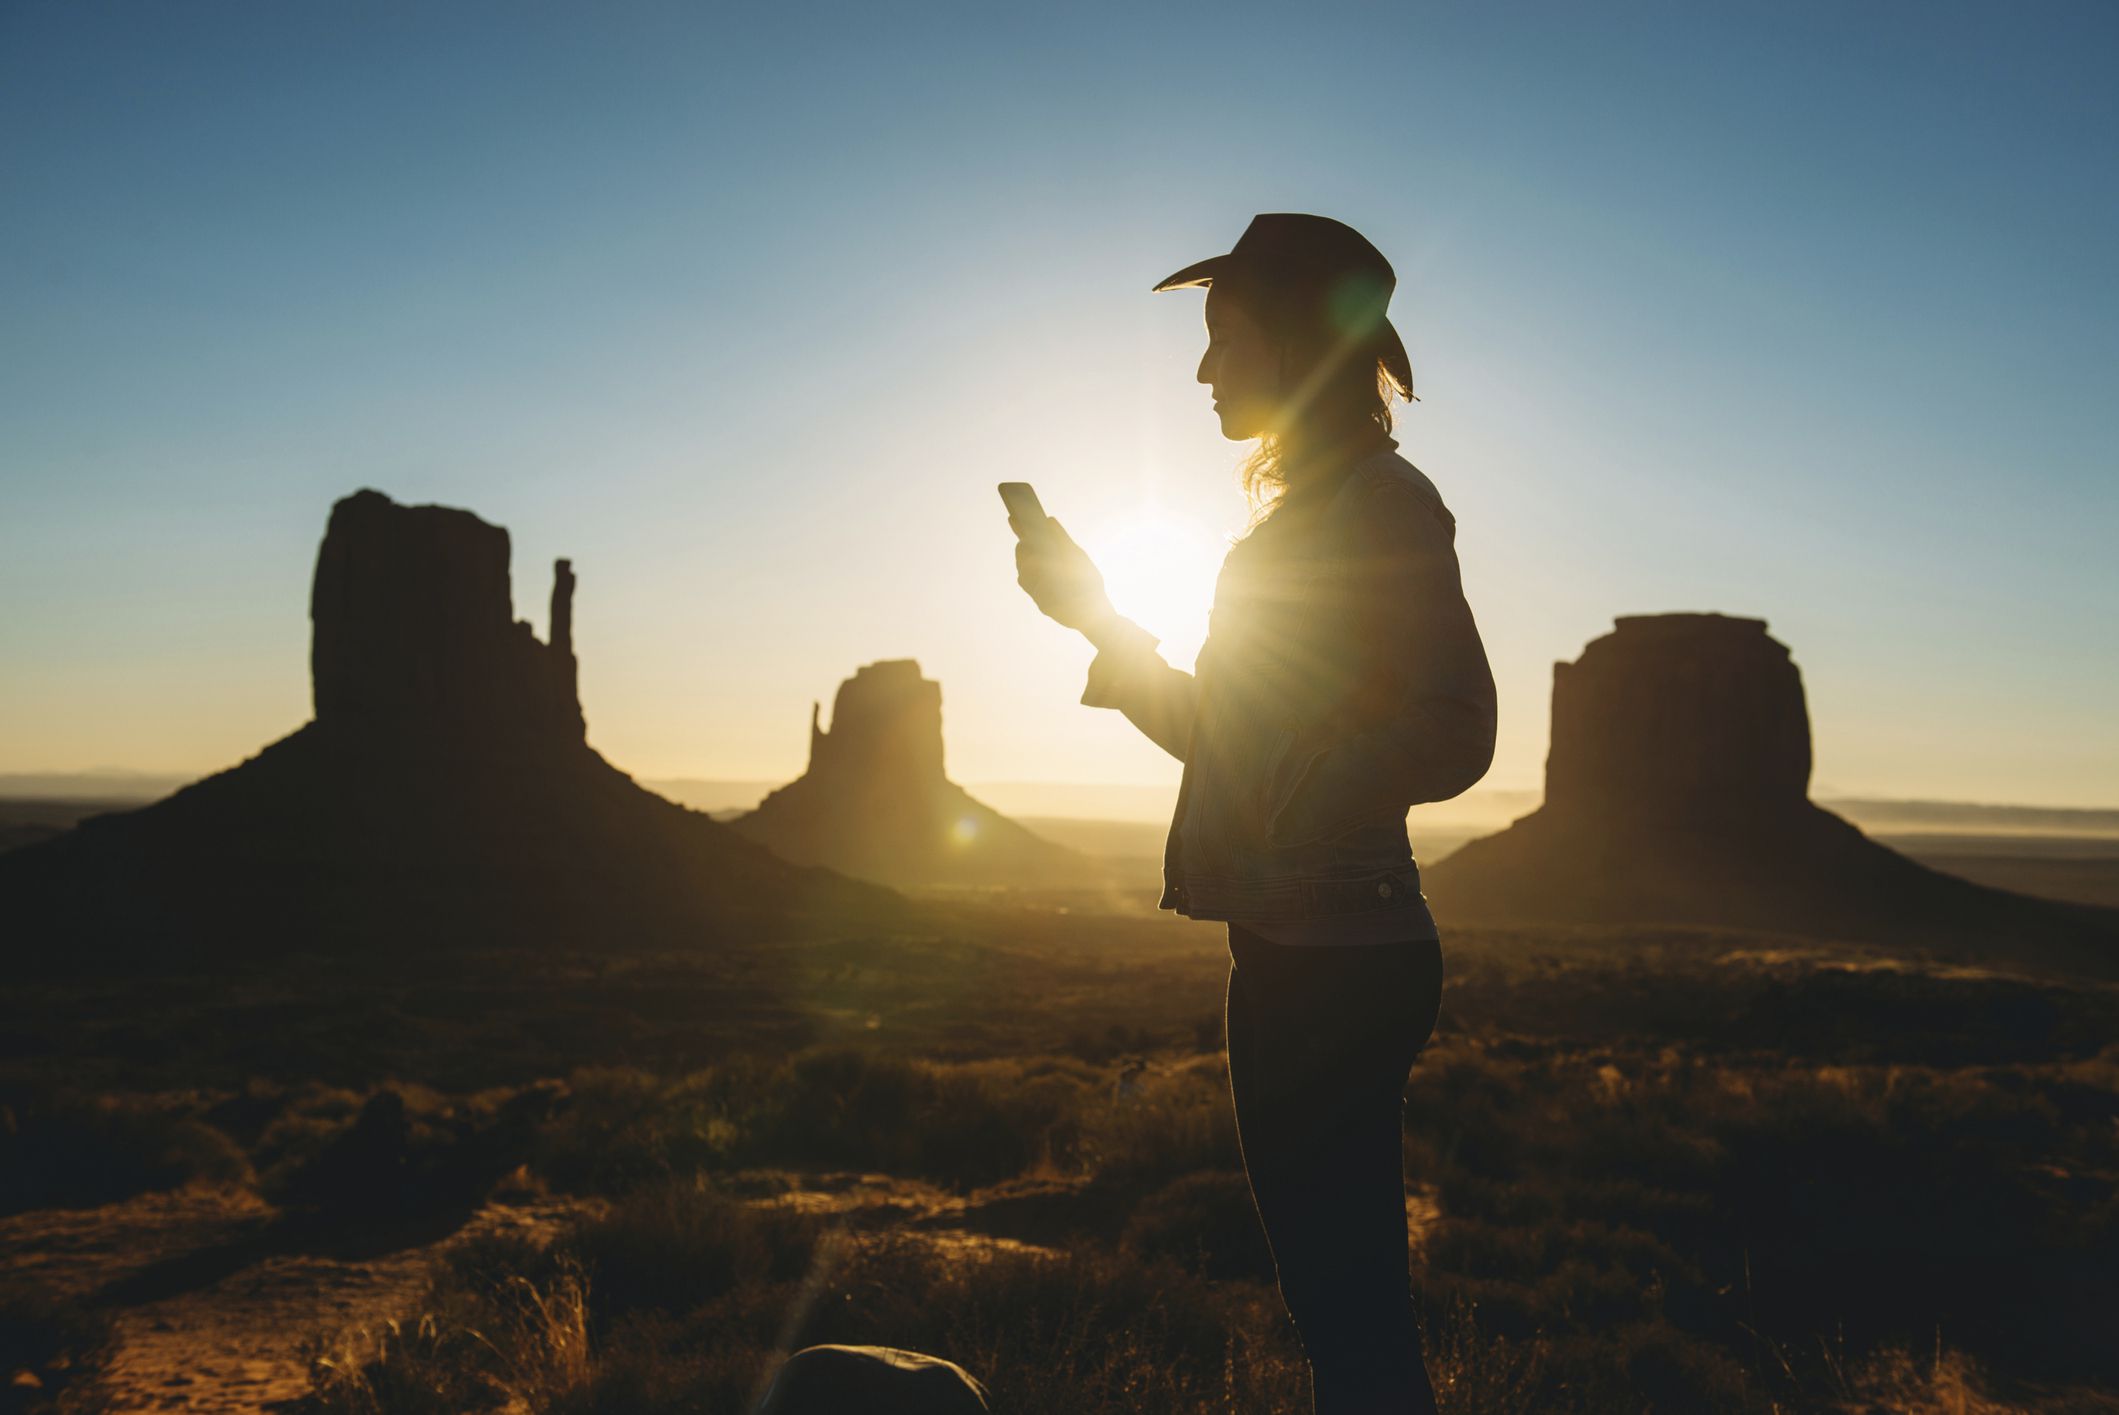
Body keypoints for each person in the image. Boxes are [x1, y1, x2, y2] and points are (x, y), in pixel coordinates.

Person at [1010, 213, 1496, 1414]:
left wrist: (1324, 778)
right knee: (1339, 1316)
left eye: (1227, 338)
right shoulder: (1301, 522)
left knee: (1352, 1323)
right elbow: (1222, 742)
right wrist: (1096, 618)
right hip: (1300, 951)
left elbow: (1460, 723)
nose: (1203, 369)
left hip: (1336, 959)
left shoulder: (1382, 503)